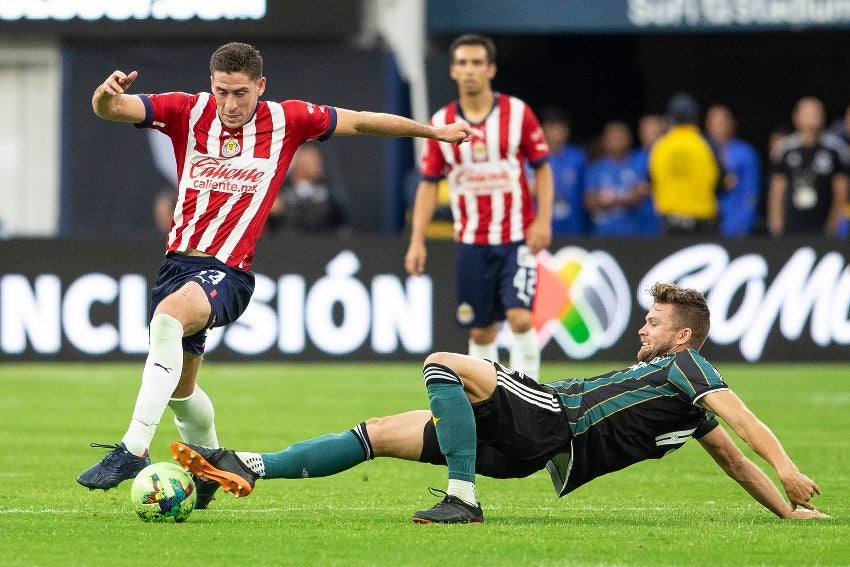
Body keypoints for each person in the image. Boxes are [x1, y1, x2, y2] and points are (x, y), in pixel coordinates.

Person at [76, 42, 473, 507]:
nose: (229, 104)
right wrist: (105, 94)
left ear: (260, 87)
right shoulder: (187, 110)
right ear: (211, 85)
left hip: (227, 271)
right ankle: (210, 465)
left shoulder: (289, 119)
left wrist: (435, 132)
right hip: (176, 264)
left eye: (240, 93)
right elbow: (112, 109)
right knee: (182, 392)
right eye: (221, 91)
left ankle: (133, 448)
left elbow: (363, 119)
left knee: (166, 319)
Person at [171, 282, 829, 524]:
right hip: (532, 449)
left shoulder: (689, 366)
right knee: (375, 433)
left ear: (682, 335)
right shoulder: (684, 406)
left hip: (550, 412)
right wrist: (788, 511)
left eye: (653, 323)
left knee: (441, 360)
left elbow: (744, 427)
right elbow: (734, 463)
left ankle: (461, 498)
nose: (643, 331)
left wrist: (789, 472)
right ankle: (242, 463)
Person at [404, 34, 553, 381]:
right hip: (471, 241)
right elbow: (429, 183)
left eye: (476, 63)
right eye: (463, 63)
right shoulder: (441, 122)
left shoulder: (518, 114)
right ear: (453, 70)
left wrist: (543, 220)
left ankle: (529, 397)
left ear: (491, 69)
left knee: (519, 317)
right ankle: (490, 400)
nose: (470, 70)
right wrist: (417, 240)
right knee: (481, 331)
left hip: (517, 236)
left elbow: (543, 167)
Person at [768, 96, 850, 237]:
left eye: (817, 113)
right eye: (808, 114)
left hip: (823, 227)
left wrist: (832, 228)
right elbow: (777, 190)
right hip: (791, 227)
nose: (813, 118)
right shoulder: (784, 148)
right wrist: (776, 227)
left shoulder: (836, 149)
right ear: (796, 117)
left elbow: (841, 192)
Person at [649, 92, 723, 235]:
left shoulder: (660, 146)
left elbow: (651, 181)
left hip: (670, 221)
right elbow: (723, 180)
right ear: (695, 117)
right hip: (703, 222)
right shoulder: (706, 144)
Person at [584, 120, 660, 236]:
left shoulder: (641, 161)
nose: (616, 140)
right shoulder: (595, 168)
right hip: (604, 235)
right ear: (604, 140)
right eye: (612, 137)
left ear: (629, 138)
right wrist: (626, 197)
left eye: (620, 136)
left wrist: (607, 199)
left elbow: (637, 197)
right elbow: (590, 202)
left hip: (639, 234)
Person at [704, 104, 762, 237]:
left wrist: (743, 224)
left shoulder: (746, 153)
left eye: (723, 122)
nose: (720, 127)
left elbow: (751, 194)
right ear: (707, 124)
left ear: (732, 124)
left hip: (735, 228)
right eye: (715, 123)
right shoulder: (699, 152)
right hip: (703, 226)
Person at [273, 142, 349, 233]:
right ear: (296, 162)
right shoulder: (279, 190)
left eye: (317, 160)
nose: (317, 164)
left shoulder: (329, 190)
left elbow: (341, 216)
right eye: (311, 160)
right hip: (286, 242)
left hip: (322, 240)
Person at [539, 107, 588, 236]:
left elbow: (586, 193)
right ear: (542, 129)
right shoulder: (531, 158)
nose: (557, 132)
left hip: (574, 230)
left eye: (561, 127)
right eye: (552, 127)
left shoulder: (578, 157)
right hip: (541, 231)